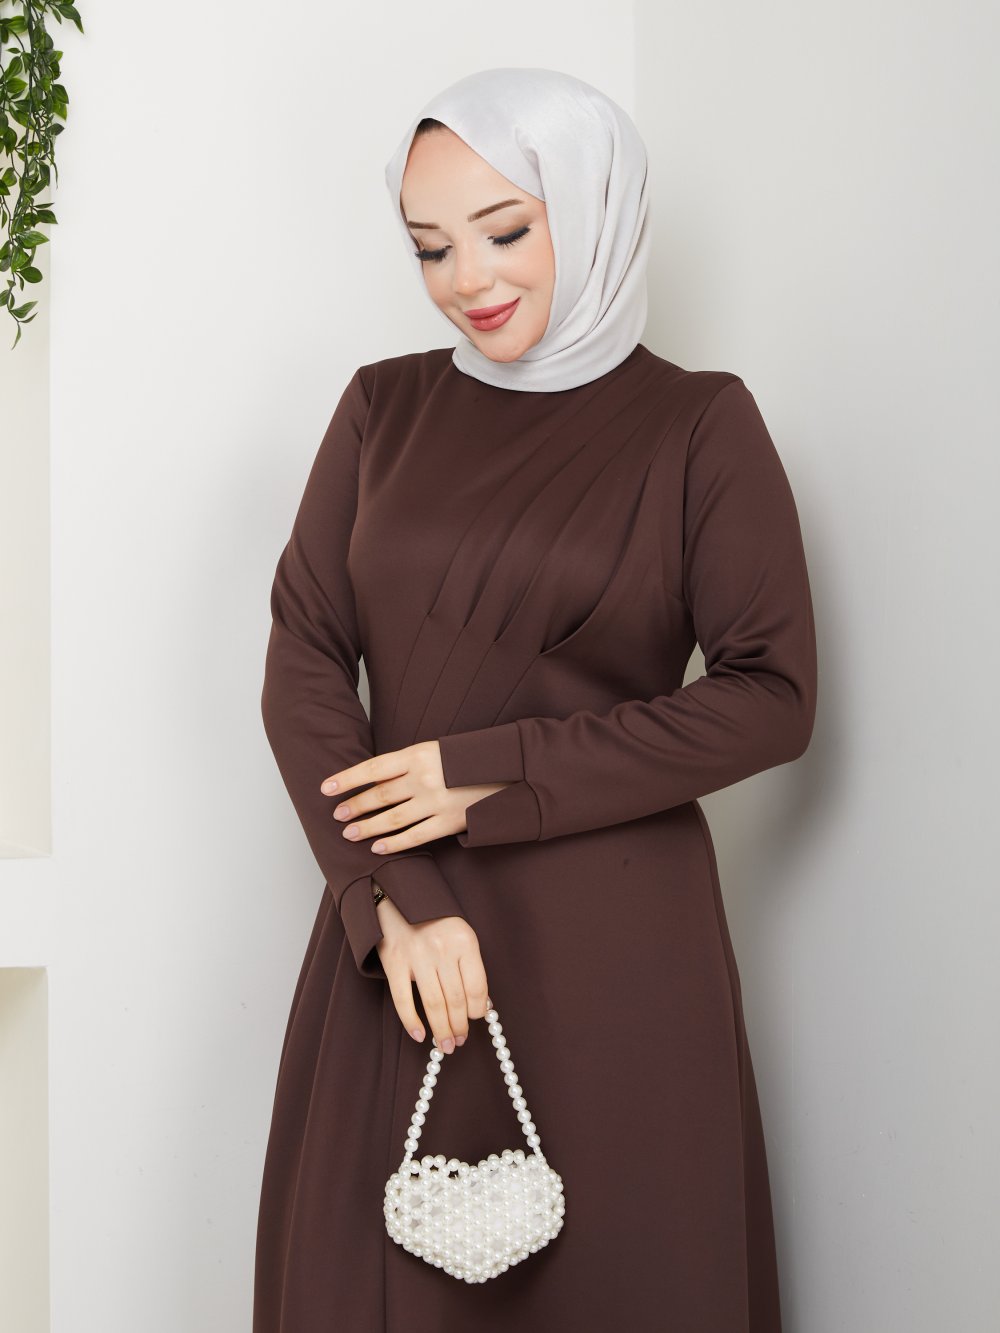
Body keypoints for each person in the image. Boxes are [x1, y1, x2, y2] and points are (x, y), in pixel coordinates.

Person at [253, 66, 817, 1333]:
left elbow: (771, 696)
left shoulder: (699, 426)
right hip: (404, 944)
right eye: (430, 247)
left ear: (594, 204)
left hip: (616, 954)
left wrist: (484, 772)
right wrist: (386, 901)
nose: (468, 278)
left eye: (505, 229)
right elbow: (304, 659)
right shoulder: (382, 409)